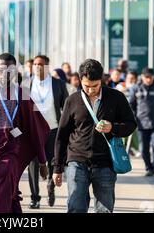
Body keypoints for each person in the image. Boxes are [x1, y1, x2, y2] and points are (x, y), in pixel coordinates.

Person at [52, 59, 136, 213]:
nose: (90, 90)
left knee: (104, 210)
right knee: (75, 207)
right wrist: (57, 167)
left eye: (95, 86)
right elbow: (62, 135)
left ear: (102, 81)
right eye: (86, 86)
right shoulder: (73, 100)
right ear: (80, 80)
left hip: (105, 162)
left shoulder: (116, 97)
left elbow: (131, 124)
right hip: (77, 160)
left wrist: (113, 127)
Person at [0, 53, 49, 213]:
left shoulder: (22, 95)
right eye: (1, 69)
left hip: (11, 151)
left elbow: (34, 128)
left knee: (5, 175)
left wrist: (42, 161)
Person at [24, 55, 68, 209]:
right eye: (35, 64)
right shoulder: (26, 83)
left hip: (53, 130)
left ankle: (51, 187)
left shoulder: (58, 84)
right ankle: (34, 197)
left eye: (41, 64)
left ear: (47, 66)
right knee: (33, 165)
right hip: (33, 132)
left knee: (52, 163)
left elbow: (67, 108)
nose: (37, 67)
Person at [129, 68, 154, 177]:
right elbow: (131, 104)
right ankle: (148, 167)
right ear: (142, 77)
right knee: (143, 148)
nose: (148, 80)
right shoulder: (136, 88)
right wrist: (132, 115)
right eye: (146, 78)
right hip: (141, 122)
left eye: (150, 77)